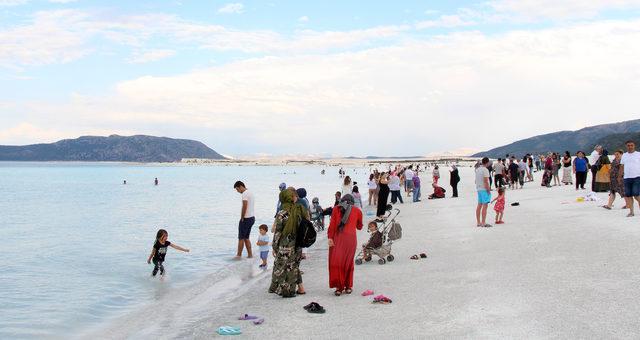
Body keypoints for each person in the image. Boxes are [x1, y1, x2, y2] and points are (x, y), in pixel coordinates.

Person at [269, 189, 306, 297]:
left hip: (285, 245)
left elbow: (278, 233)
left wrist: (274, 247)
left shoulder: (282, 214)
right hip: (298, 245)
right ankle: (297, 289)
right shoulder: (300, 210)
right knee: (293, 267)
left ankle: (287, 291)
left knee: (282, 268)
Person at [327, 194, 363, 296]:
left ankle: (339, 288)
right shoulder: (357, 211)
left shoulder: (335, 209)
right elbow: (359, 227)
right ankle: (348, 287)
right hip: (350, 240)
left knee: (338, 262)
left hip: (338, 239)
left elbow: (332, 225)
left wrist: (330, 237)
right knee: (348, 262)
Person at [234, 181, 255, 259]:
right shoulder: (250, 192)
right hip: (252, 218)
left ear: (240, 187)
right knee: (246, 237)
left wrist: (242, 217)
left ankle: (238, 255)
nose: (237, 191)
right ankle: (250, 255)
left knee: (241, 238)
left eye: (237, 189)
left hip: (246, 218)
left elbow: (245, 206)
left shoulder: (244, 194)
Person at [621, 140, 640, 217]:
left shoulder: (638, 154)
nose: (630, 147)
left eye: (631, 145)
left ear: (634, 146)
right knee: (628, 195)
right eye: (628, 145)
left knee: (636, 194)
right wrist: (620, 176)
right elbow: (622, 166)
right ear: (626, 146)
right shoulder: (624, 155)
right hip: (626, 178)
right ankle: (631, 212)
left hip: (637, 177)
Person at [475, 157, 492, 228]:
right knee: (485, 206)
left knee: (479, 205)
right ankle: (483, 222)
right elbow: (486, 181)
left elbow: (476, 180)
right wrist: (488, 190)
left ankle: (478, 222)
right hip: (484, 189)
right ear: (487, 162)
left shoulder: (478, 169)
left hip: (478, 188)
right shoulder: (485, 170)